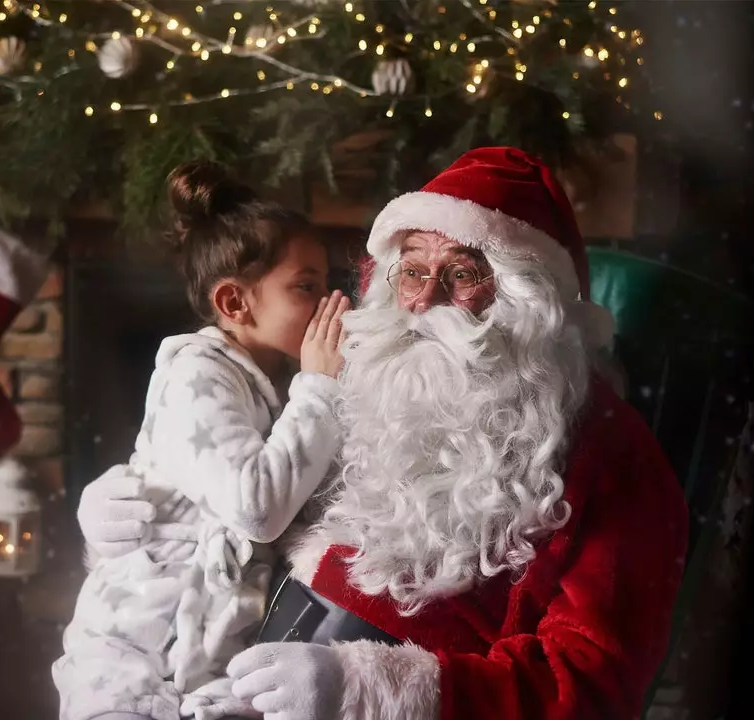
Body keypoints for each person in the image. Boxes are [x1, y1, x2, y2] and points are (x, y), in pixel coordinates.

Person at [78, 147, 689, 720]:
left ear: (528, 301)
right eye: (411, 272)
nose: (424, 302)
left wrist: (372, 690)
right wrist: (147, 505)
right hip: (215, 672)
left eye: (462, 275)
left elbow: (594, 679)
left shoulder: (612, 454)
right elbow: (252, 492)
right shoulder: (379, 384)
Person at [52, 162, 351, 720]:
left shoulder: (279, 387)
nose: (327, 303)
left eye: (327, 281)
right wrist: (319, 389)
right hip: (136, 652)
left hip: (205, 669)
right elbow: (256, 508)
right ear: (235, 304)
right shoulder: (196, 374)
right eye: (305, 286)